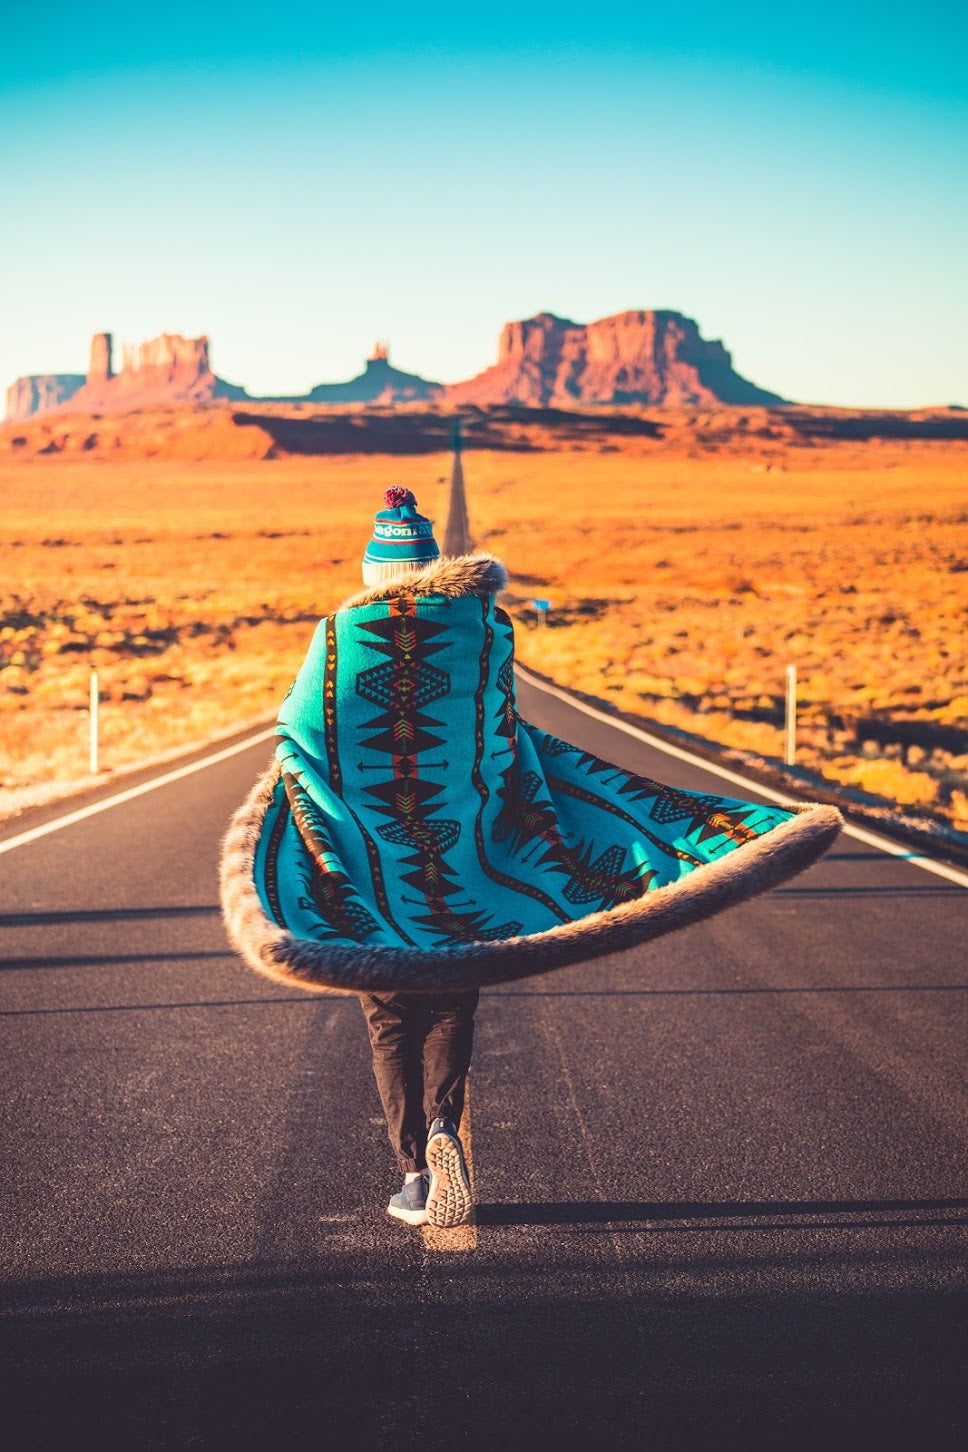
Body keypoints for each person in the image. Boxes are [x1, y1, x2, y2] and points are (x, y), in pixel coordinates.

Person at [355, 486, 475, 1228]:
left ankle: (411, 1175)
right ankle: (441, 1130)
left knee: (391, 1018)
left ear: (373, 575)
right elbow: (504, 744)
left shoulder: (342, 640)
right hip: (457, 855)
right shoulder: (478, 635)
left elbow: (303, 749)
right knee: (453, 1000)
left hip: (373, 863)